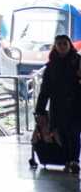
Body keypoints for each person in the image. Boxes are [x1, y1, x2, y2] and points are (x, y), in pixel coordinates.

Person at [35, 34, 81, 173]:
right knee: (60, 134)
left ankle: (74, 160)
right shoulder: (51, 65)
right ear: (55, 46)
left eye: (64, 44)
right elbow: (45, 89)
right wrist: (40, 109)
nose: (62, 46)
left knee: (74, 133)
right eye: (59, 44)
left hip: (76, 105)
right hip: (58, 106)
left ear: (69, 45)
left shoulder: (78, 61)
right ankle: (67, 160)